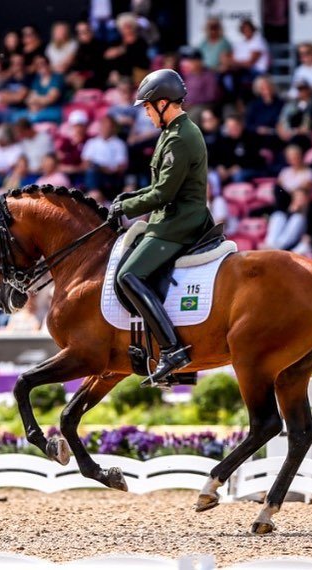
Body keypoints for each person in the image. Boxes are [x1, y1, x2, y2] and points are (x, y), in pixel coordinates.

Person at [106, 69, 212, 386]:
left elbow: (164, 194)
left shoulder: (180, 138)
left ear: (164, 103)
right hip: (171, 215)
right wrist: (127, 197)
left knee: (128, 275)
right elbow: (159, 186)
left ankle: (173, 350)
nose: (147, 114)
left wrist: (125, 207)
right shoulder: (171, 133)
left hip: (179, 221)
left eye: (149, 107)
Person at [263, 145, 312, 250]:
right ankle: (269, 245)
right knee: (277, 216)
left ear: (301, 156)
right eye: (291, 157)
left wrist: (288, 191)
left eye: (295, 156)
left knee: (296, 220)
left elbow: (302, 190)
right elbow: (279, 189)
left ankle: (276, 248)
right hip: (285, 208)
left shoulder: (309, 173)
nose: (293, 159)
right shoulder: (285, 172)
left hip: (301, 211)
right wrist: (290, 193)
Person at [82, 116, 128, 201]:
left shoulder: (119, 144)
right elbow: (85, 163)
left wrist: (104, 169)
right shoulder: (91, 142)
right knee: (92, 171)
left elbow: (121, 166)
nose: (104, 128)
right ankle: (94, 193)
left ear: (113, 128)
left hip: (111, 176)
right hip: (95, 173)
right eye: (102, 125)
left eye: (107, 126)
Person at [26, 53, 64, 123]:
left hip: (54, 110)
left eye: (43, 63)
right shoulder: (37, 79)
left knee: (33, 119)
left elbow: (51, 99)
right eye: (37, 64)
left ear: (48, 64)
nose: (40, 66)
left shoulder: (57, 78)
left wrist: (36, 100)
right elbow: (29, 99)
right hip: (38, 110)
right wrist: (35, 105)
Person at [68, 21, 107, 89]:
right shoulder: (78, 48)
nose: (82, 35)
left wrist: (82, 75)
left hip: (96, 79)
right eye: (79, 33)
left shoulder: (100, 46)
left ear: (91, 32)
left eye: (85, 32)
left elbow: (98, 68)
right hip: (81, 77)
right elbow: (76, 66)